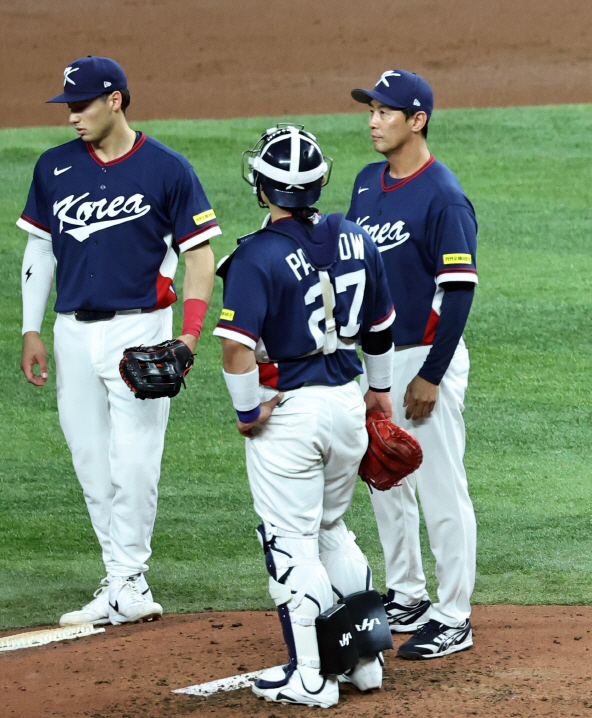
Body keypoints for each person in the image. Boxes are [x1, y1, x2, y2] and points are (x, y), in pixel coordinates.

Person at [17, 55, 218, 626]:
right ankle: (119, 579)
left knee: (134, 462)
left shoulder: (167, 169)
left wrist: (190, 334)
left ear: (115, 100)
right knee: (90, 462)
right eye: (68, 106)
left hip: (140, 329)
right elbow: (39, 249)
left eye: (81, 105)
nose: (72, 116)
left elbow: (200, 255)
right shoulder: (53, 167)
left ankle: (128, 579)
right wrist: (31, 328)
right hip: (71, 332)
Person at [214, 124, 397, 707]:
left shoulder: (256, 254)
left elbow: (236, 348)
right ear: (319, 183)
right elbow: (381, 328)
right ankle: (364, 663)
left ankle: (310, 677)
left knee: (290, 542)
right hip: (347, 402)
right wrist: (378, 392)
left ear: (263, 187)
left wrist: (247, 410)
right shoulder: (356, 237)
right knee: (332, 530)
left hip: (291, 414)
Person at [347, 69, 479, 659]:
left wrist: (432, 374)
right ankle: (407, 593)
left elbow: (460, 292)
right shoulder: (365, 184)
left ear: (417, 120)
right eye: (371, 110)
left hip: (426, 358)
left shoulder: (443, 196)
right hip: (377, 361)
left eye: (385, 111)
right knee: (385, 477)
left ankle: (454, 615)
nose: (373, 121)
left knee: (440, 488)